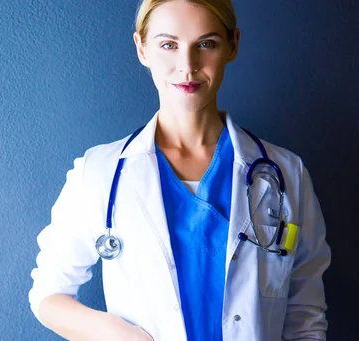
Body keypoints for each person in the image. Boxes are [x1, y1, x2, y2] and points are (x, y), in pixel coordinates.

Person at [28, 0, 331, 340]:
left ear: (233, 45)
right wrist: (122, 335)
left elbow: (305, 315)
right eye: (168, 45)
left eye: (206, 44)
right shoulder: (99, 173)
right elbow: (47, 295)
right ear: (142, 49)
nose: (187, 66)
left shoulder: (287, 174)